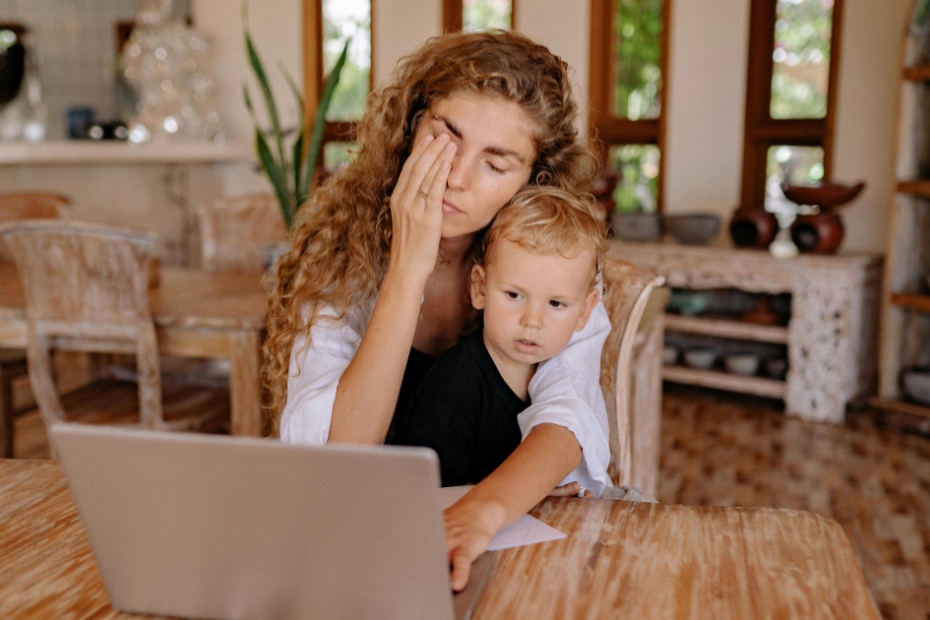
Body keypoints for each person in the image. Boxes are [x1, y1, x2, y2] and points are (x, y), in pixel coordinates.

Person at [263, 30, 611, 591]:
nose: (455, 176)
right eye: (444, 138)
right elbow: (336, 455)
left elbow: (567, 417)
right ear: (410, 128)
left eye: (496, 165)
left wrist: (483, 514)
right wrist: (408, 264)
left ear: (532, 181)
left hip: (498, 530)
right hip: (363, 539)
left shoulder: (550, 267)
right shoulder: (336, 255)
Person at [390, 186, 607, 491]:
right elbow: (423, 496)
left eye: (555, 304)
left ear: (585, 311)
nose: (532, 321)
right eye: (514, 295)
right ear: (480, 289)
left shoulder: (556, 377)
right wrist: (533, 498)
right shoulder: (454, 390)